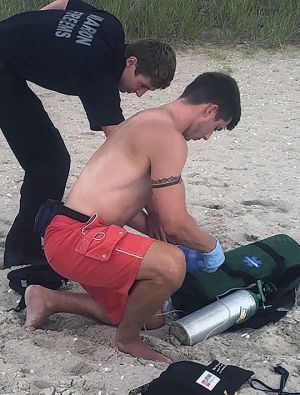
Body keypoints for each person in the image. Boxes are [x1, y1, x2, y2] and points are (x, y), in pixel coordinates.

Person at [25, 72, 241, 363]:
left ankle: (48, 299)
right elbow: (175, 223)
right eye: (216, 127)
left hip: (72, 232)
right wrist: (211, 247)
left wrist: (155, 225)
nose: (207, 136)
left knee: (150, 316)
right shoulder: (168, 137)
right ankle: (126, 341)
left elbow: (119, 198)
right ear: (210, 110)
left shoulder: (148, 119)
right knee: (171, 264)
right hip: (76, 237)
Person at [0, 0, 176, 269]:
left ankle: (23, 246)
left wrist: (37, 31)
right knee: (49, 164)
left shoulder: (111, 27)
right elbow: (125, 149)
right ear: (131, 62)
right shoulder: (99, 75)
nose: (139, 94)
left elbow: (63, 3)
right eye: (142, 85)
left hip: (7, 59)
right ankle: (21, 251)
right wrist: (153, 208)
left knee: (50, 161)